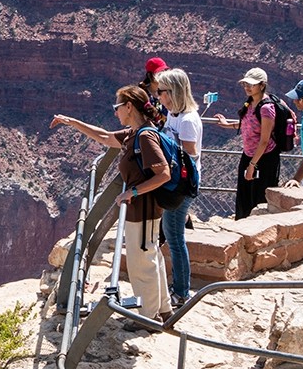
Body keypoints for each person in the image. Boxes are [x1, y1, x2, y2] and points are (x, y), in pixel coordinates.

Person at [51, 84, 172, 323]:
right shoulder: (134, 134)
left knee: (141, 264)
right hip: (145, 209)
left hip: (143, 210)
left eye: (117, 106)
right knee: (151, 256)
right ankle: (163, 309)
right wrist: (72, 122)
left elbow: (164, 174)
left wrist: (133, 192)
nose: (115, 111)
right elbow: (105, 136)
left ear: (129, 106)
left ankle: (148, 319)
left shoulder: (145, 136)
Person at [155, 68, 202, 305]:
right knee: (172, 233)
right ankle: (176, 286)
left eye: (161, 91)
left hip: (182, 185)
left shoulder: (187, 121)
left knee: (174, 236)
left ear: (173, 92)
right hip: (173, 182)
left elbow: (190, 156)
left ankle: (182, 292)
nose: (159, 96)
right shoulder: (174, 115)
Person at [213, 67, 281, 218]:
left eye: (252, 84)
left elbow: (264, 140)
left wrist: (252, 165)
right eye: (245, 84)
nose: (247, 87)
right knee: (244, 195)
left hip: (264, 159)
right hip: (249, 155)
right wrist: (227, 125)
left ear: (262, 85)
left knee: (259, 198)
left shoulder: (266, 108)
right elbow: (247, 124)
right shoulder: (250, 103)